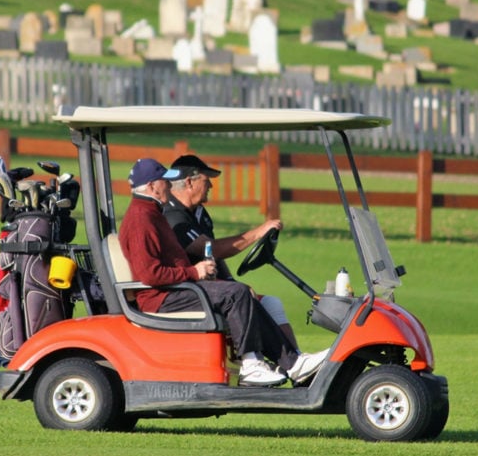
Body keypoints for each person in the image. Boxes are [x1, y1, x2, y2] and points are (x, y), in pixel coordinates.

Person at [118, 158, 329, 387]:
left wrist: (204, 275)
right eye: (164, 183)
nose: (169, 187)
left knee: (237, 291)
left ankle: (293, 363)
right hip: (161, 298)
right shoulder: (142, 218)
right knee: (235, 294)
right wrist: (193, 272)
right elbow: (150, 275)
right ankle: (251, 366)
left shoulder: (151, 213)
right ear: (151, 186)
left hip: (174, 290)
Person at [164, 154, 300, 351]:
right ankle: (259, 363)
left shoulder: (198, 213)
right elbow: (212, 247)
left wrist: (231, 282)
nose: (210, 186)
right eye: (206, 180)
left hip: (209, 287)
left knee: (271, 303)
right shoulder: (173, 217)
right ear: (189, 182)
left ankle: (295, 360)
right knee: (246, 299)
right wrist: (256, 233)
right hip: (187, 291)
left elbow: (212, 256)